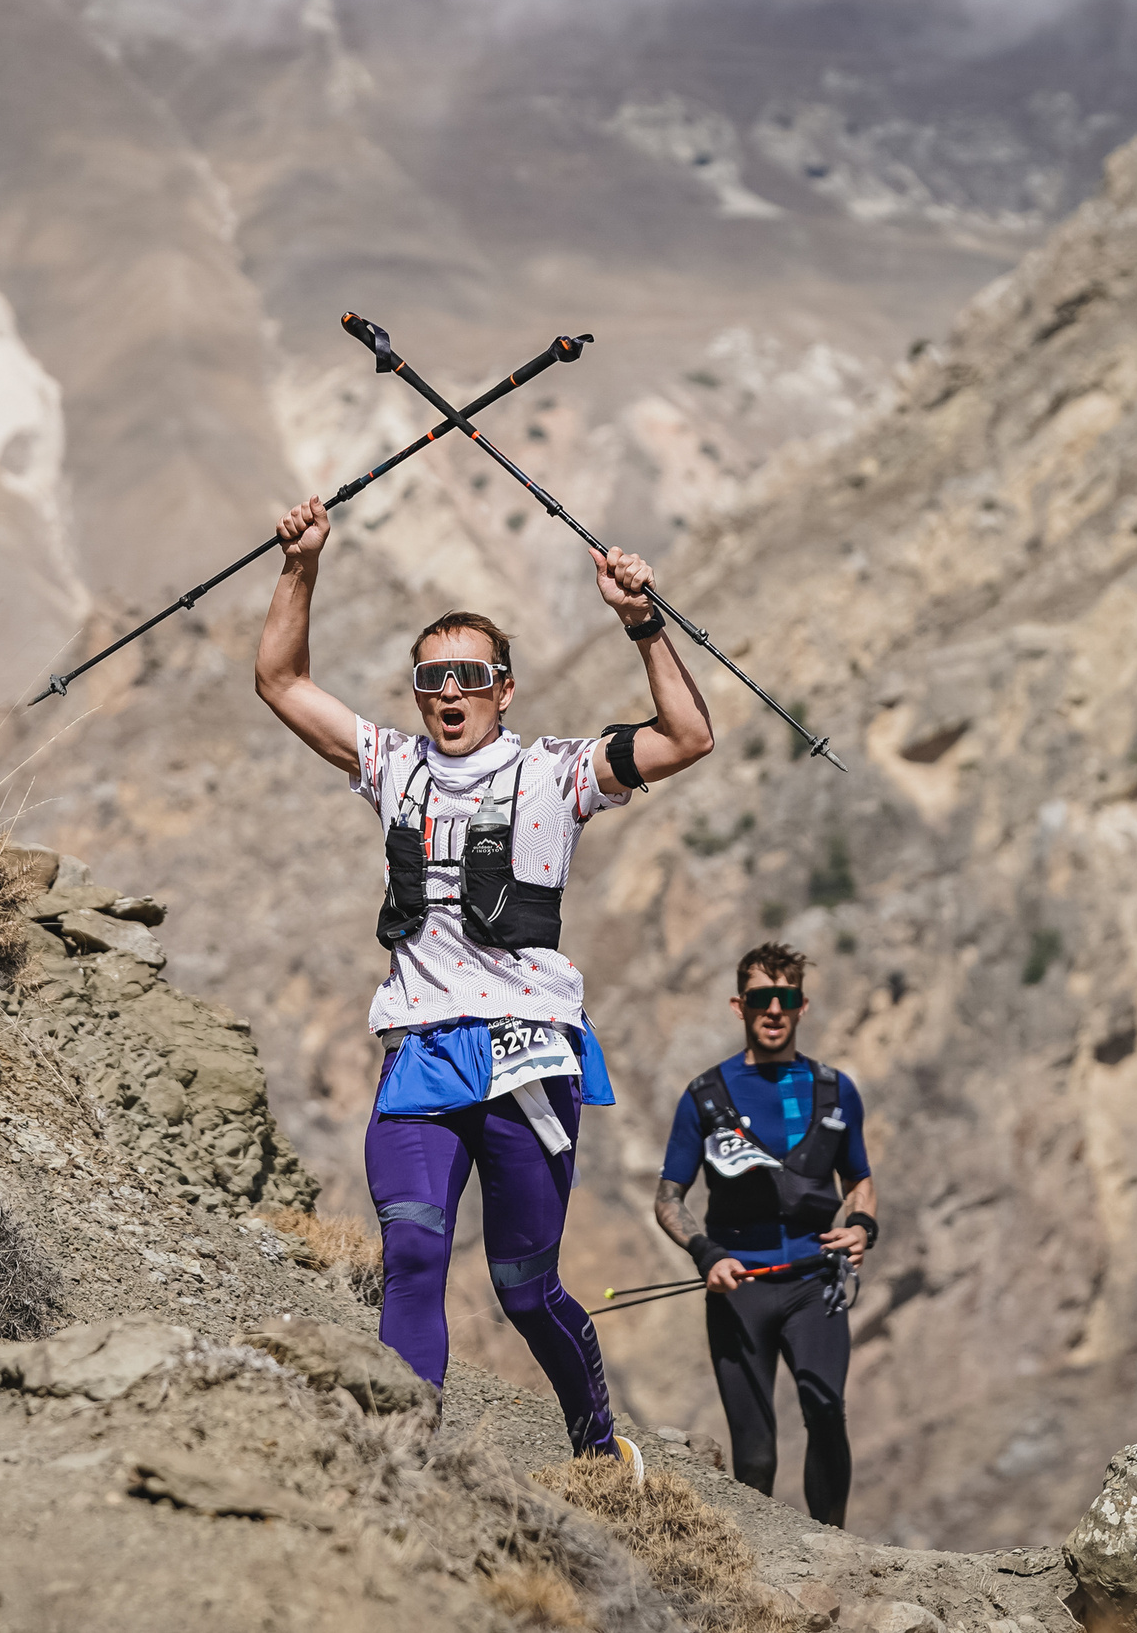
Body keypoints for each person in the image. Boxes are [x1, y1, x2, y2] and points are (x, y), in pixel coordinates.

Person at [254, 491, 714, 1470]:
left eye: (468, 677)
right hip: (420, 1054)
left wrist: (643, 625)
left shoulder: (558, 771)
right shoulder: (388, 765)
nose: (448, 694)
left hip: (527, 1055)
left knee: (521, 1286)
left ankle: (597, 1445)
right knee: (412, 1252)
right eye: (430, 681)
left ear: (503, 688)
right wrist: (301, 566)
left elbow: (686, 737)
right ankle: (403, 1466)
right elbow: (280, 679)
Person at [654, 942, 876, 1526]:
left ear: (802, 1006)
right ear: (739, 1005)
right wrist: (706, 1254)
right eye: (761, 999)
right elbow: (668, 1198)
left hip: (814, 1284)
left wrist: (860, 1226)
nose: (773, 1011)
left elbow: (860, 1181)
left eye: (786, 998)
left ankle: (837, 1549)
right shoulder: (705, 1095)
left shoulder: (836, 1090)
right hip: (739, 1288)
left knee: (825, 1411)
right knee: (754, 1454)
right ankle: (751, 1579)